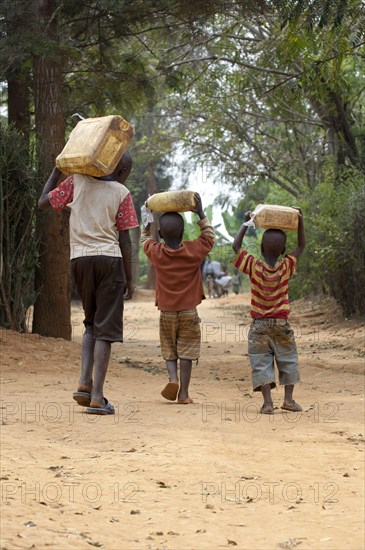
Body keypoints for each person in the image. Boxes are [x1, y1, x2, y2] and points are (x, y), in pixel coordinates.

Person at [38, 152, 139, 415]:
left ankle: (84, 381)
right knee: (105, 329)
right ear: (121, 171)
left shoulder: (76, 182)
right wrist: (129, 278)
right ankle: (97, 396)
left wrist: (56, 171)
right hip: (109, 260)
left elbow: (42, 203)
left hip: (79, 260)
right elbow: (125, 240)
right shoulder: (121, 192)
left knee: (90, 324)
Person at [141, 193, 215, 404]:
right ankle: (183, 393)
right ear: (183, 232)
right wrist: (200, 213)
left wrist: (147, 220)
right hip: (189, 312)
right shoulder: (193, 250)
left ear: (161, 234)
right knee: (187, 352)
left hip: (166, 312)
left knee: (169, 348)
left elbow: (145, 238)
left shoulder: (157, 252)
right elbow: (209, 236)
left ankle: (172, 378)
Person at [232, 209, 305, 414]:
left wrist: (246, 223)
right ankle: (289, 400)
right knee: (288, 359)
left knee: (261, 362)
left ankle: (267, 403)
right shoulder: (287, 266)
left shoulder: (254, 267)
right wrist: (301, 222)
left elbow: (236, 247)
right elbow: (301, 246)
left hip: (259, 325)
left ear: (261, 248)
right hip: (281, 324)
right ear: (283, 250)